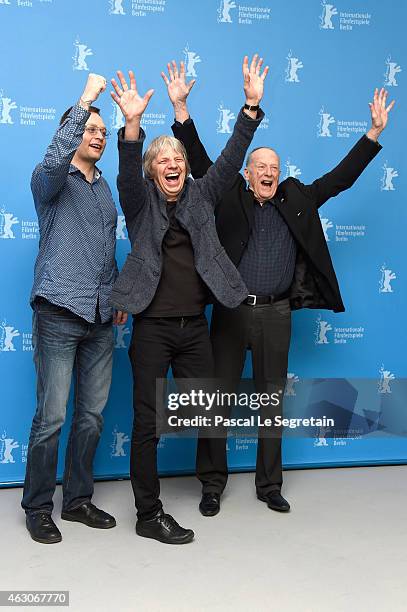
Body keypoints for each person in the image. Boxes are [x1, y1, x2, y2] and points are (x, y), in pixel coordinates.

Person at [171, 82, 395, 516]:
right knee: (216, 399)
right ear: (249, 173)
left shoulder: (297, 198)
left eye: (274, 166)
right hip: (232, 311)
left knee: (271, 401)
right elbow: (198, 160)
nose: (269, 172)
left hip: (276, 314)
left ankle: (269, 485)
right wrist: (181, 110)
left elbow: (340, 179)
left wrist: (372, 134)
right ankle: (212, 485)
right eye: (261, 166)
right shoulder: (229, 195)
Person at [109, 55, 268, 544]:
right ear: (152, 171)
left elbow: (228, 162)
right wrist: (133, 124)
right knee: (147, 423)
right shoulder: (138, 206)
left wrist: (250, 107)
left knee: (208, 412)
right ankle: (148, 513)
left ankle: (210, 486)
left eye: (177, 159)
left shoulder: (200, 198)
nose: (173, 165)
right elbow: (126, 175)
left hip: (195, 328)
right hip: (153, 330)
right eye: (163, 160)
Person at [22, 74, 127, 544]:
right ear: (72, 132)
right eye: (90, 129)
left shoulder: (105, 190)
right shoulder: (51, 180)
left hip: (101, 320)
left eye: (104, 131)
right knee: (52, 418)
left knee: (91, 417)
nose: (99, 136)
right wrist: (84, 103)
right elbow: (52, 157)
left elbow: (105, 250)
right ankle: (38, 507)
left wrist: (117, 295)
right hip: (59, 313)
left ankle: (79, 500)